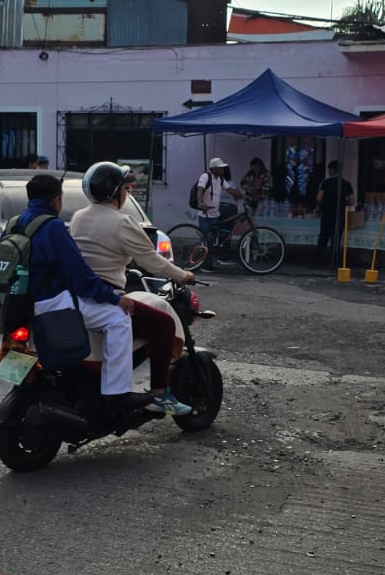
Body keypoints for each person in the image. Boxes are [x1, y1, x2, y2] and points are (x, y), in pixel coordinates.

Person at [16, 173, 154, 415]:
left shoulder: (17, 222)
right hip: (52, 303)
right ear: (56, 200)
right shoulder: (52, 226)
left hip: (22, 302)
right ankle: (116, 394)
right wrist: (114, 298)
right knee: (118, 318)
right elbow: (79, 274)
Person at [70, 162, 195, 415]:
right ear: (115, 191)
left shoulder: (78, 217)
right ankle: (160, 393)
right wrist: (182, 275)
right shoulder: (122, 222)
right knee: (163, 324)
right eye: (126, 188)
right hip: (107, 299)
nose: (127, 193)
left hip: (78, 296)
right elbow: (151, 260)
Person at [193, 157, 240, 270]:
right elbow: (200, 189)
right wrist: (200, 203)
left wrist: (241, 195)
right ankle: (204, 265)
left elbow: (230, 190)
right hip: (205, 215)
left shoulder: (221, 179)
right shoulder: (205, 176)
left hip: (215, 215)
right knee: (206, 240)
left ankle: (207, 264)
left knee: (212, 240)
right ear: (214, 169)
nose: (223, 170)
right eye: (221, 168)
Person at [311, 160, 354, 269]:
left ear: (332, 170)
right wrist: (343, 202)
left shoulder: (326, 183)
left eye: (329, 169)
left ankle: (316, 262)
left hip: (327, 214)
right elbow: (352, 201)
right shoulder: (347, 184)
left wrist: (325, 202)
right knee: (336, 239)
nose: (328, 172)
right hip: (340, 215)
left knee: (323, 238)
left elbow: (318, 198)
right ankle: (334, 263)